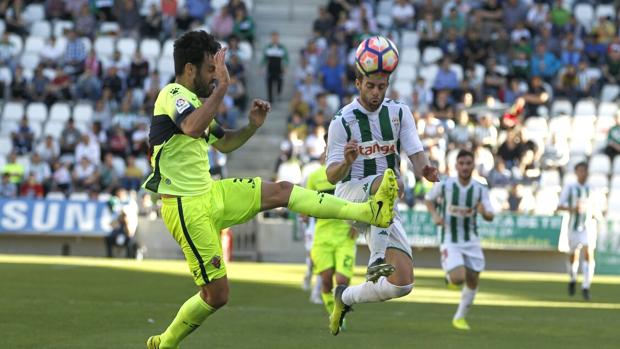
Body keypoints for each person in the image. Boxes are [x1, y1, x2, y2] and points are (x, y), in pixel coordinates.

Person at [144, 30, 398, 349]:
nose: (215, 75)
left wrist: (252, 126)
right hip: (185, 208)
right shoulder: (173, 94)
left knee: (281, 190)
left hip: (210, 194)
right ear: (190, 69)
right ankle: (165, 342)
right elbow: (192, 127)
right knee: (217, 295)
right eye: (211, 68)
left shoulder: (194, 103)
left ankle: (367, 211)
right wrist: (223, 86)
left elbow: (224, 143)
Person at [325, 49, 439, 335]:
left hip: (383, 204)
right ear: (358, 83)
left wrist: (425, 169)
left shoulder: (399, 112)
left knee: (402, 283)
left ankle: (345, 297)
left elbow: (416, 152)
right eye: (370, 86)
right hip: (350, 195)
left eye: (381, 87)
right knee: (391, 182)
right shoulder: (342, 120)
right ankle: (376, 260)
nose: (376, 92)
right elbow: (330, 174)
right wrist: (348, 162)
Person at [424, 149, 495, 331]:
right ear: (456, 165)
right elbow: (428, 199)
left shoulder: (480, 189)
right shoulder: (446, 185)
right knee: (458, 278)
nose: (464, 167)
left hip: (471, 239)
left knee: (473, 280)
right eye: (461, 163)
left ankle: (459, 318)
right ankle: (451, 277)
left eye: (468, 163)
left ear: (473, 166)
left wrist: (484, 212)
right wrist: (434, 216)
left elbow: (490, 214)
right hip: (450, 238)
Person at [306, 137, 357, 320]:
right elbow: (307, 203)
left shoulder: (352, 172)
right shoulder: (315, 177)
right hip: (323, 235)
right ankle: (334, 313)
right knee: (326, 280)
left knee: (342, 281)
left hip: (345, 234)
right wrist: (305, 213)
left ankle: (340, 311)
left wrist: (358, 225)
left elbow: (360, 198)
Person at [557, 162, 601, 301]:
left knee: (589, 253)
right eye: (579, 171)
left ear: (587, 173)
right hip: (573, 227)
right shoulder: (570, 188)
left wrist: (595, 213)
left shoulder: (592, 189)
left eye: (584, 171)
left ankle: (586, 286)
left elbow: (597, 207)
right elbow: (559, 206)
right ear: (576, 173)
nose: (582, 173)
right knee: (573, 254)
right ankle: (573, 278)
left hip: (588, 226)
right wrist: (573, 209)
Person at [261, 31, 289, 103]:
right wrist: (261, 67)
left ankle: (278, 94)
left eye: (276, 37)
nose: (275, 39)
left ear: (278, 38)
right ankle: (270, 99)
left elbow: (286, 58)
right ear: (271, 38)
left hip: (279, 68)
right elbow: (264, 58)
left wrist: (285, 66)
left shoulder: (282, 48)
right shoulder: (267, 47)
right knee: (269, 83)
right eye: (273, 37)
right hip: (270, 68)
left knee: (280, 81)